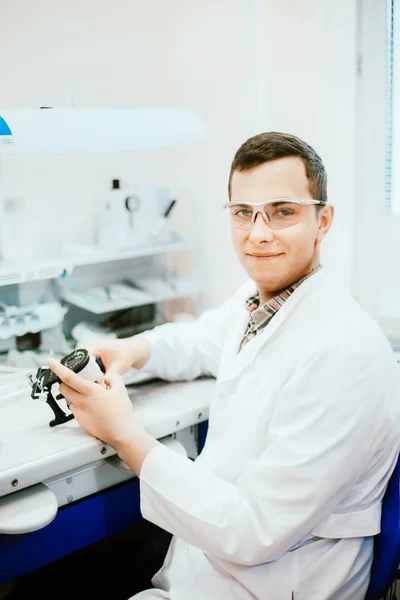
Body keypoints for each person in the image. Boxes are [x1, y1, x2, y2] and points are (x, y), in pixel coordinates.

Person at [48, 132, 400, 600]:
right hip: (216, 567)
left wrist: (125, 435)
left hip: (277, 583)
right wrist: (134, 349)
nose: (258, 233)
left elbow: (253, 531)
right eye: (243, 213)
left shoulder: (343, 355)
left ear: (323, 220)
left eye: (283, 211)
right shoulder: (262, 300)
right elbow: (203, 339)